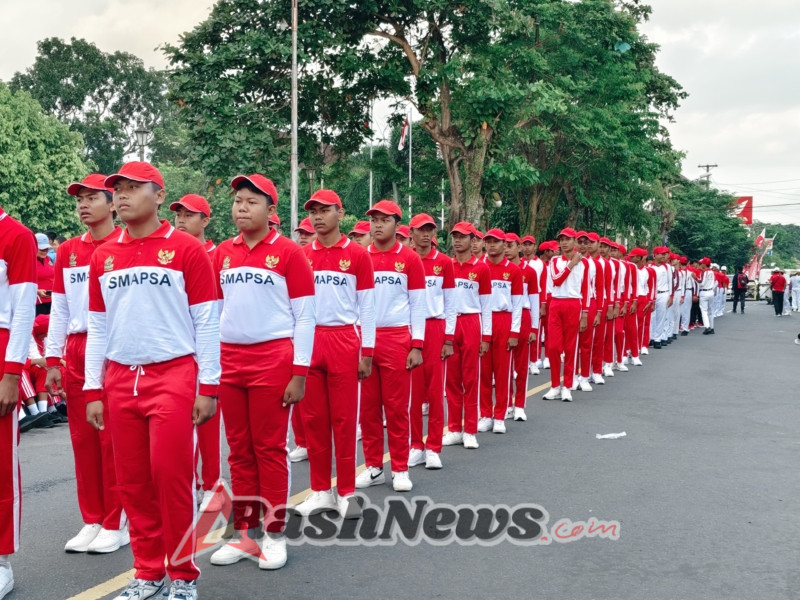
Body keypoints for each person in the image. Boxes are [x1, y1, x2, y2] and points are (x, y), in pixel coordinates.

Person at [84, 162, 220, 600]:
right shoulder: (103, 256)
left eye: (132, 188)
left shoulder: (186, 249)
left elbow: (207, 322)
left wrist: (209, 386)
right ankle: (147, 572)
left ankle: (181, 575)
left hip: (174, 375)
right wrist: (93, 388)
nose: (122, 196)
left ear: (159, 195)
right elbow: (98, 327)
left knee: (171, 477)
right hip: (121, 377)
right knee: (133, 482)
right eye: (117, 190)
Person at [209, 174, 315, 572]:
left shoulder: (289, 253)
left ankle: (274, 533)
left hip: (273, 358)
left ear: (271, 211)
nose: (241, 207)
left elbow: (306, 316)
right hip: (230, 359)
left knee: (269, 448)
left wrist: (299, 372)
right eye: (238, 200)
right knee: (238, 450)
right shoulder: (222, 252)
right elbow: (213, 314)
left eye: (251, 201)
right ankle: (245, 534)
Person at [44, 174, 128, 554]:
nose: (82, 204)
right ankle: (92, 518)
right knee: (83, 440)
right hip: (77, 347)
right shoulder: (68, 252)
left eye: (92, 197)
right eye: (79, 198)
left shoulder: (123, 245)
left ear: (112, 204)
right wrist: (53, 357)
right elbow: (60, 307)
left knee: (112, 439)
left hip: (113, 349)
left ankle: (117, 520)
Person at [294, 190, 374, 519]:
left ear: (340, 213)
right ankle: (319, 490)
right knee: (314, 421)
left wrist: (366, 352)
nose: (317, 216)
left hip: (343, 339)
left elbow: (368, 308)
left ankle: (345, 491)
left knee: (343, 421)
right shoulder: (300, 256)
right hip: (311, 339)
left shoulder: (357, 255)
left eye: (324, 210)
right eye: (312, 211)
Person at [356, 200, 425, 492]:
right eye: (373, 220)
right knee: (368, 409)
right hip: (365, 339)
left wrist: (417, 345)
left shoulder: (409, 259)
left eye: (384, 220)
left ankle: (399, 467)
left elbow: (418, 303)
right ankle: (373, 467)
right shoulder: (359, 257)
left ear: (397, 224)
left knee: (396, 408)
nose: (377, 225)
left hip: (397, 338)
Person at [170, 194, 225, 513]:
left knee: (205, 421)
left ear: (205, 220)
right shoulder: (171, 252)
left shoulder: (217, 255)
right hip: (177, 348)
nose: (181, 219)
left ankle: (212, 483)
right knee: (178, 426)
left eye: (189, 215)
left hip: (207, 345)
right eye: (178, 213)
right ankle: (188, 484)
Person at [0, 204, 37, 600]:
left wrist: (12, 373)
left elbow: (25, 307)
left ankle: (1, 561)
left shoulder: (15, 235)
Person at [443, 223, 491, 450]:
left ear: (472, 240)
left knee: (470, 379)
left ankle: (470, 429)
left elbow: (486, 305)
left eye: (462, 237)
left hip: (472, 322)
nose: (457, 241)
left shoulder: (481, 268)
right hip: (451, 323)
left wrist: (486, 336)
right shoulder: (445, 265)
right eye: (454, 236)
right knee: (451, 380)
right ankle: (454, 428)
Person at [478, 229, 522, 431]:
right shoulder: (479, 267)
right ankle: (485, 414)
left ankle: (500, 416)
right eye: (489, 242)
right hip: (482, 322)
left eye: (496, 242)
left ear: (504, 244)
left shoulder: (513, 271)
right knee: (484, 372)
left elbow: (518, 303)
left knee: (502, 372)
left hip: (503, 320)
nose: (492, 245)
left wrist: (514, 332)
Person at [542, 228, 589, 402]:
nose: (563, 242)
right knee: (553, 347)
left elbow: (586, 289)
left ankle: (567, 386)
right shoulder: (554, 261)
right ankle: (554, 385)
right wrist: (571, 264)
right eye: (561, 239)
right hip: (557, 303)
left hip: (574, 304)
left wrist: (585, 313)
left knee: (571, 348)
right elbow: (556, 280)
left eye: (567, 239)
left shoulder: (584, 263)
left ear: (575, 242)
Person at [505, 233, 539, 415]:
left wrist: (534, 327)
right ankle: (507, 403)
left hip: (523, 317)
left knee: (521, 365)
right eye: (504, 245)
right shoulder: (497, 268)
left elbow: (534, 300)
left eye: (510, 245)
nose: (506, 249)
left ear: (519, 248)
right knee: (504, 366)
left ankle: (519, 405)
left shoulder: (530, 271)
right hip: (504, 317)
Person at [34, 233, 55, 316]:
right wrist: (37, 291)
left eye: (46, 249)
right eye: (42, 249)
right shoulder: (28, 260)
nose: (45, 251)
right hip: (36, 302)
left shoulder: (48, 259)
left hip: (51, 300)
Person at [695, 257, 717, 333]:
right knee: (711, 310)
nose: (701, 265)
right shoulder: (712, 272)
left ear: (704, 264)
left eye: (702, 263)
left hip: (704, 292)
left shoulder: (704, 272)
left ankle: (707, 327)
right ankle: (712, 327)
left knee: (704, 310)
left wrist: (695, 278)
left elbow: (701, 283)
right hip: (711, 292)